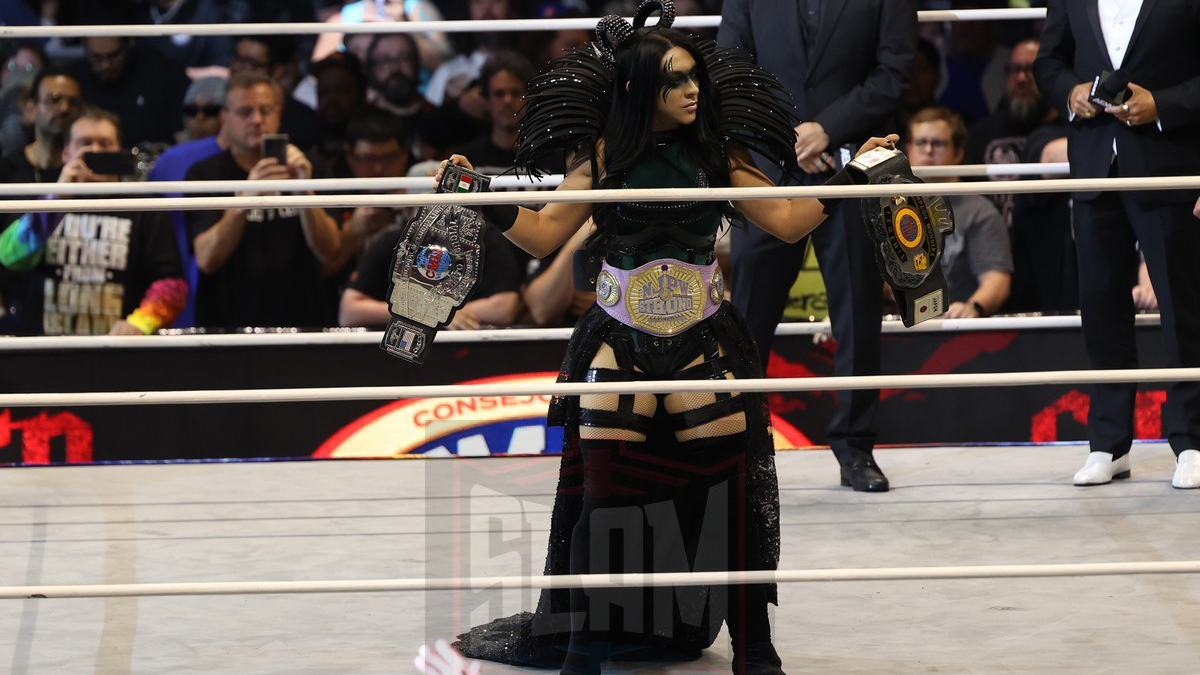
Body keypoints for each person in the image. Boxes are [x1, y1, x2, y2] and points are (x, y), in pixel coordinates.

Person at [441, 3, 899, 674]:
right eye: (674, 80)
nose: (692, 90)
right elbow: (542, 232)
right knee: (599, 505)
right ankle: (581, 652)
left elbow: (790, 220)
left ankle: (755, 645)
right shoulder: (605, 157)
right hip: (616, 337)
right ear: (638, 90)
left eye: (693, 77)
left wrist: (859, 175)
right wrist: (480, 193)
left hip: (702, 337)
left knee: (730, 497)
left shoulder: (716, 153)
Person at [719, 0, 917, 492]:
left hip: (851, 165)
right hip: (767, 168)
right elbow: (731, 68)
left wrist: (826, 128)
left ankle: (855, 448)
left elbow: (896, 71)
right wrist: (789, 136)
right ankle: (734, 450)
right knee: (747, 317)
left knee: (858, 312)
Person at [1035, 0, 1200, 489]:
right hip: (1092, 167)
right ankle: (1108, 443)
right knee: (1101, 307)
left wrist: (1163, 105)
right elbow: (1049, 62)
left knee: (1181, 307)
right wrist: (1073, 94)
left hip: (1169, 163)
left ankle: (1190, 440)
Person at [0, 107, 186, 336]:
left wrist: (140, 323)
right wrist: (56, 197)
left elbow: (172, 285)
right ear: (67, 154)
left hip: (118, 351)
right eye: (85, 143)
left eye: (105, 144)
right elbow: (10, 257)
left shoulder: (144, 207)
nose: (95, 150)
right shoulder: (41, 197)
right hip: (46, 349)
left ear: (119, 152)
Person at [185, 71, 342, 329]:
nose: (256, 120)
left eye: (265, 110)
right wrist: (245, 200)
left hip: (305, 322)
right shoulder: (204, 174)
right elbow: (207, 259)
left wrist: (304, 190)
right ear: (225, 118)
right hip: (228, 326)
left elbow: (329, 252)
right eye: (245, 112)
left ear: (279, 114)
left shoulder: (313, 166)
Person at [906, 106, 1012, 318]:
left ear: (958, 153)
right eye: (920, 143)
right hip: (897, 327)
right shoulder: (888, 205)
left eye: (938, 144)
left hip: (953, 328)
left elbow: (996, 279)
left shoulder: (979, 211)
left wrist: (973, 307)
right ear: (908, 150)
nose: (928, 151)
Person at [68, 36, 190, 147]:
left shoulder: (163, 73)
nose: (105, 65)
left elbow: (182, 135)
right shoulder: (71, 80)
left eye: (114, 56)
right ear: (84, 48)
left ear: (129, 44)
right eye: (96, 57)